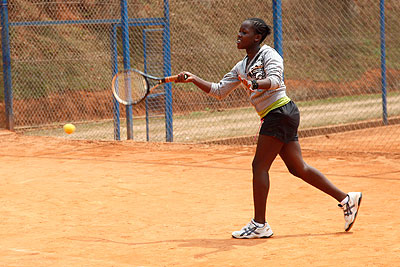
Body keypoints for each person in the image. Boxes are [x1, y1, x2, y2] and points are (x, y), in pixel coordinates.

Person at [175, 18, 362, 239]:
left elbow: (275, 80)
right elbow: (219, 90)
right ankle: (346, 199)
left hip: (280, 112)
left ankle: (260, 224)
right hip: (279, 115)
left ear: (256, 37)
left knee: (259, 166)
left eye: (244, 32)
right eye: (239, 31)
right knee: (297, 168)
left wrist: (255, 83)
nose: (239, 35)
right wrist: (194, 79)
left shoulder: (269, 55)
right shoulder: (241, 66)